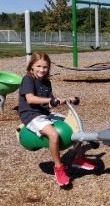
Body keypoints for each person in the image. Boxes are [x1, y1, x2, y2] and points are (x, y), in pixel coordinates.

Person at [18, 52, 96, 187]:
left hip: (44, 113)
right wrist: (51, 100)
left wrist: (65, 100)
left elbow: (48, 104)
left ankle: (78, 158)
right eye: (38, 66)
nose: (41, 70)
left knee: (74, 124)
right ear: (31, 66)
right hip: (30, 115)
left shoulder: (47, 83)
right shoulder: (28, 79)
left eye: (45, 67)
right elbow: (30, 99)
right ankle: (58, 167)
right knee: (53, 134)